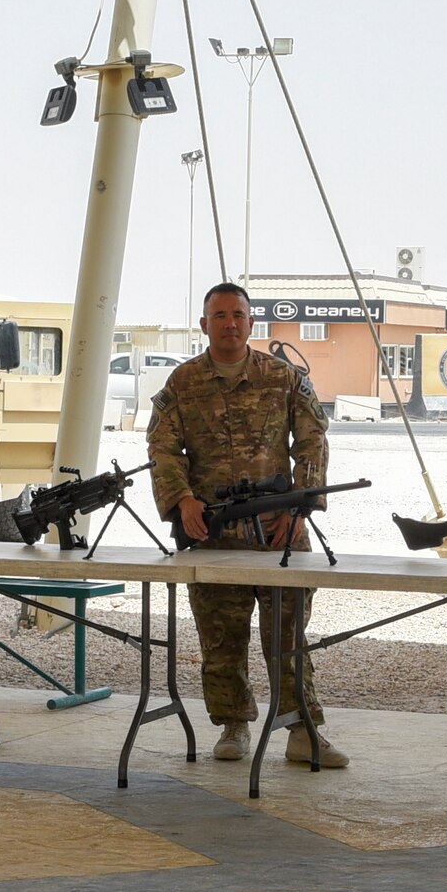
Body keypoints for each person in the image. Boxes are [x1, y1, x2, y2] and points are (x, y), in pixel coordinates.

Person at [146, 282, 345, 768]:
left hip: (279, 534)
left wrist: (301, 504)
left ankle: (302, 732)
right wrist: (182, 500)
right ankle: (233, 724)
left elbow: (313, 439)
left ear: (251, 323)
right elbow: (162, 448)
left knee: (288, 639)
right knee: (221, 641)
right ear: (204, 324)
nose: (230, 323)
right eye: (219, 315)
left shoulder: (283, 377)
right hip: (211, 536)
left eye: (238, 314)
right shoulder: (183, 383)